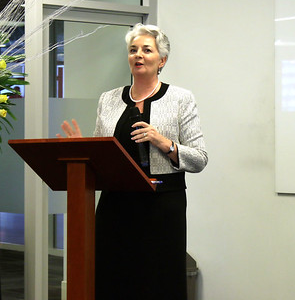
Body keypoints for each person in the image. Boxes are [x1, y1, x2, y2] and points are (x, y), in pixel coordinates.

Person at [57, 23, 208, 299]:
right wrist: (83, 147)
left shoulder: (180, 99)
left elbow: (199, 159)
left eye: (146, 50)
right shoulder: (109, 99)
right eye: (133, 50)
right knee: (112, 279)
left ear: (162, 60)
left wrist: (163, 142)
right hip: (115, 206)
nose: (138, 55)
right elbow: (102, 156)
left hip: (162, 207)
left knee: (156, 283)